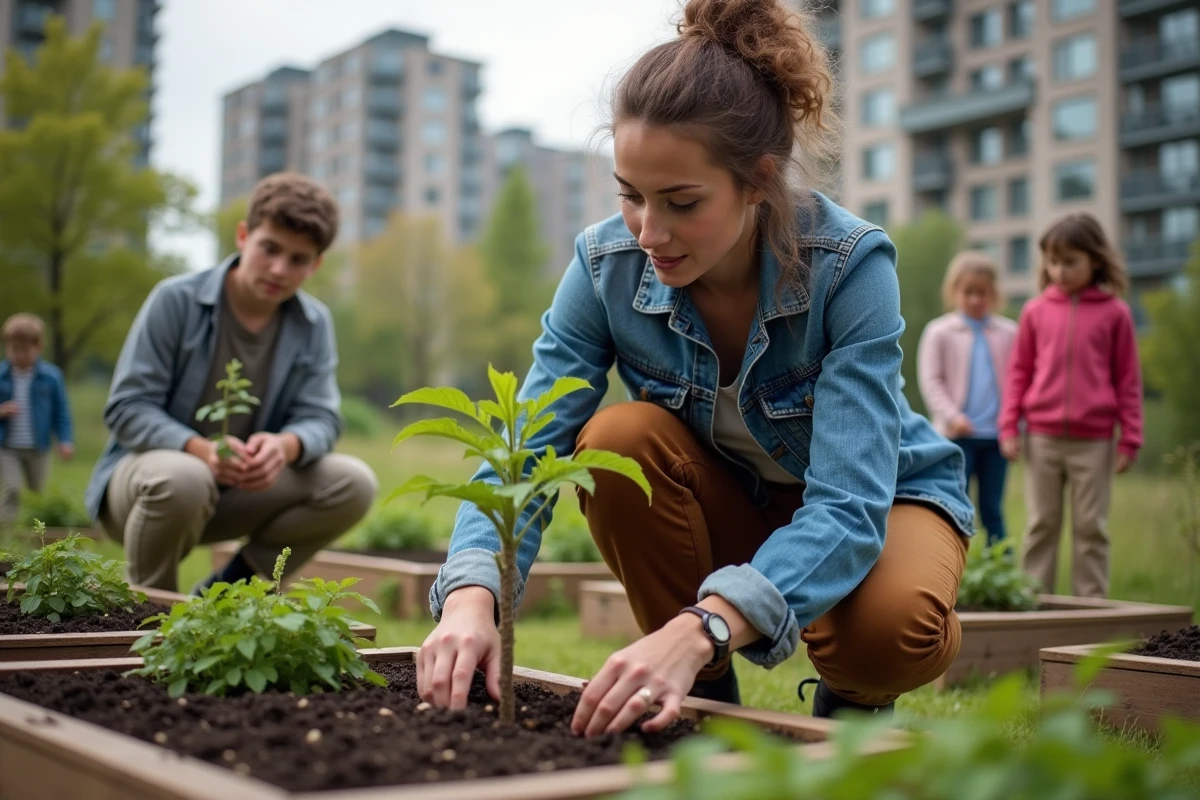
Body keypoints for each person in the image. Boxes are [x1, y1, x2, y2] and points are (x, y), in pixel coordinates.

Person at [415, 0, 974, 735]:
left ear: (757, 180)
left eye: (681, 202)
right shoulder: (603, 264)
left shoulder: (849, 266)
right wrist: (470, 595)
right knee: (615, 444)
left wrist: (700, 625)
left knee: (882, 636)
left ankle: (850, 699)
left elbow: (847, 505)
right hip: (727, 498)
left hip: (876, 497)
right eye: (630, 196)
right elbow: (529, 443)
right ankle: (709, 709)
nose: (649, 231)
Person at [84, 173, 377, 593]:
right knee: (186, 477)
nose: (279, 269)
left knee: (354, 484)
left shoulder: (313, 324)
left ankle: (232, 591)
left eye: (298, 259)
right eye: (270, 249)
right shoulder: (176, 301)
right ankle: (147, 614)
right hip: (147, 488)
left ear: (316, 264)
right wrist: (201, 450)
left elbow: (322, 418)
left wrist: (284, 446)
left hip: (241, 490)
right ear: (243, 236)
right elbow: (127, 408)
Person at [998, 213, 1142, 599]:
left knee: (1090, 527)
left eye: (1070, 262)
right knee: (1041, 523)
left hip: (1094, 441)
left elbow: (1128, 381)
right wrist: (1009, 426)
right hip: (1041, 438)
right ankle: (1035, 603)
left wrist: (1130, 439)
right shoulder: (1035, 311)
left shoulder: (1116, 314)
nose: (1060, 271)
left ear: (1095, 260)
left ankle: (1089, 609)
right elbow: (1019, 373)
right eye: (1053, 261)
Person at [917, 252, 1017, 547]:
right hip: (956, 436)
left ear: (994, 294)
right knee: (955, 508)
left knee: (992, 509)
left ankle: (1000, 575)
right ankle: (955, 577)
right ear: (954, 292)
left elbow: (1016, 381)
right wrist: (952, 416)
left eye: (982, 293)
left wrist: (1011, 424)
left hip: (995, 438)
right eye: (968, 292)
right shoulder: (939, 332)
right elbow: (931, 380)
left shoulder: (1010, 333)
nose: (975, 299)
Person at [0, 313, 74, 527]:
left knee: (36, 495)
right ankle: (6, 540)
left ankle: (35, 542)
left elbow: (62, 412)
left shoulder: (51, 377)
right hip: (7, 447)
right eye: (13, 349)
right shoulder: (2, 375)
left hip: (38, 446)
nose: (18, 355)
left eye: (24, 350)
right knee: (11, 489)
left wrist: (65, 440)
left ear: (38, 347)